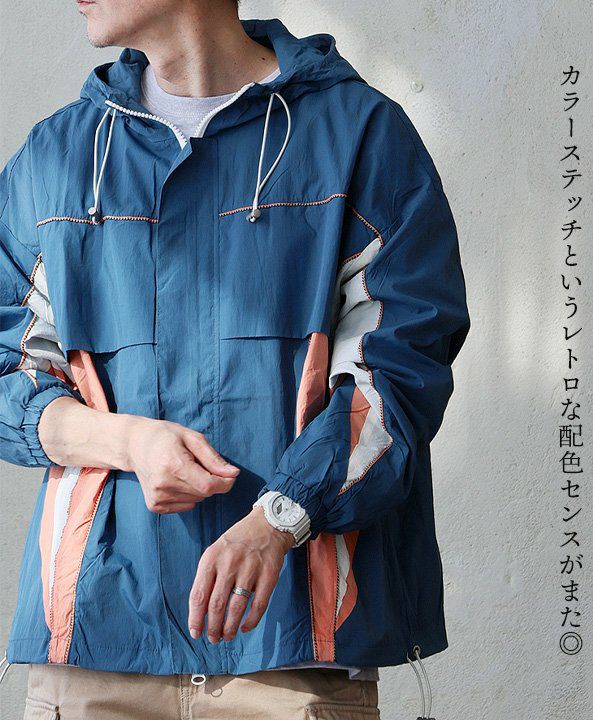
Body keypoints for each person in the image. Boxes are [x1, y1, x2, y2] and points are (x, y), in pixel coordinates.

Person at [0, 1, 471, 717]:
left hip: (291, 653)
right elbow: (8, 369)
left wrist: (279, 519)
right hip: (98, 644)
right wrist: (129, 442)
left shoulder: (358, 136)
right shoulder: (57, 156)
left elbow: (399, 375)